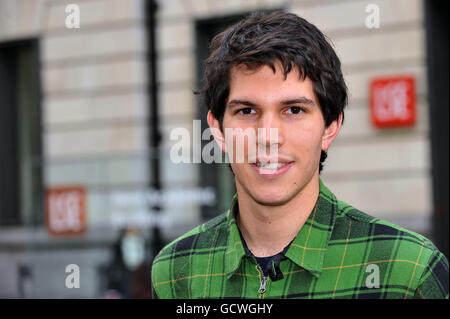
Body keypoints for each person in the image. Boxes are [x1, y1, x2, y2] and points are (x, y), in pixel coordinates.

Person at [151, 11, 449, 299]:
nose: (268, 136)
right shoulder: (177, 270)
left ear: (330, 127)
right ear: (217, 128)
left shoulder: (407, 271)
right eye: (247, 110)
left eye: (294, 110)